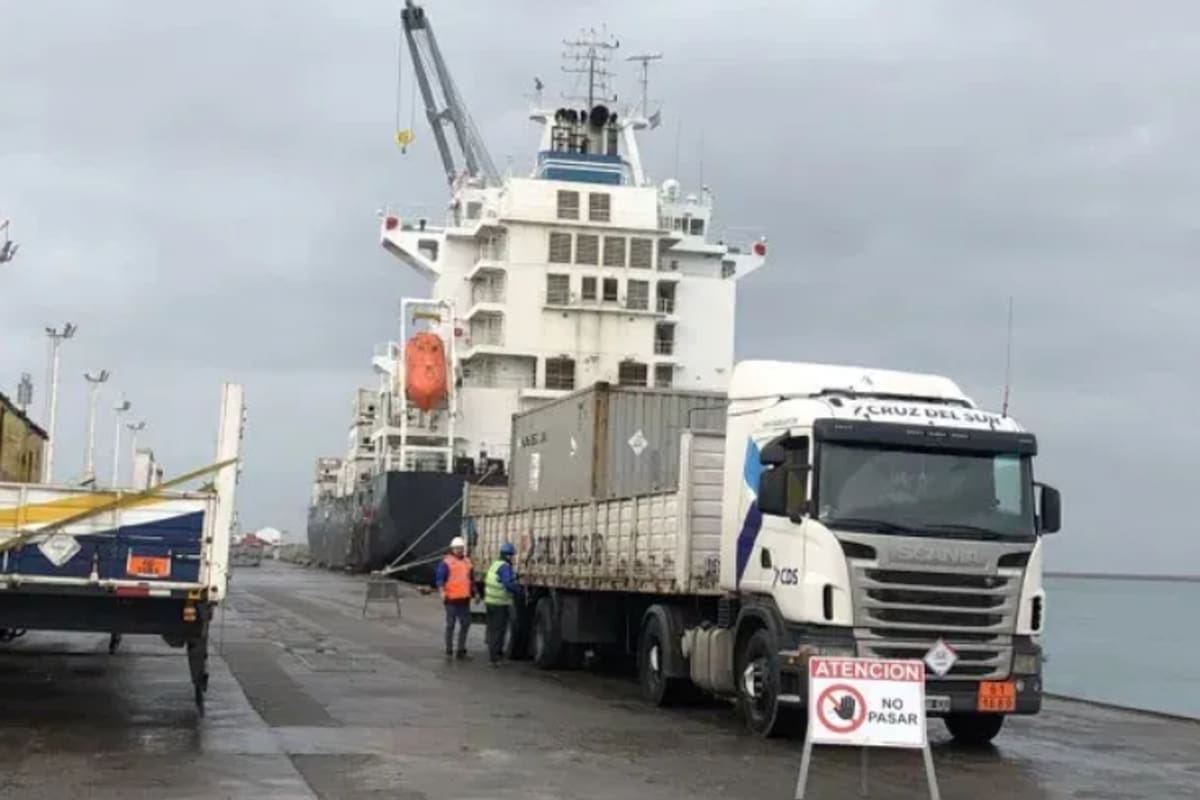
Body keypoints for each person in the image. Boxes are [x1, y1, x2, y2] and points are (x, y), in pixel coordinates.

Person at [434, 536, 475, 659]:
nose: (459, 550)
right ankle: (449, 649)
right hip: (451, 599)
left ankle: (461, 650)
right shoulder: (446, 563)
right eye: (457, 548)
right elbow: (440, 580)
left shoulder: (468, 562)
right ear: (452, 549)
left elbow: (471, 580)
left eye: (461, 548)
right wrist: (442, 592)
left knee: (465, 624)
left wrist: (476, 592)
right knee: (450, 625)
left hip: (464, 599)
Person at [484, 542, 521, 667]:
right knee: (498, 631)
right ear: (508, 556)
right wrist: (518, 591)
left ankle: (493, 655)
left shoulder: (495, 564)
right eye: (512, 556)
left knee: (493, 630)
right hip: (500, 603)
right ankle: (494, 658)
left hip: (490, 602)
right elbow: (507, 584)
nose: (513, 558)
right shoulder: (505, 567)